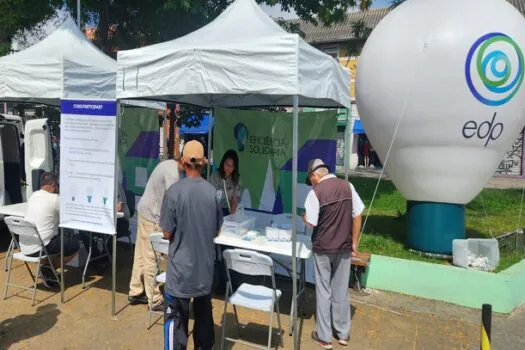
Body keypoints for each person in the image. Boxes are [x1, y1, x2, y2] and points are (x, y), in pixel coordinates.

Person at [160, 140, 223, 350]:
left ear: (183, 161)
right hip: (204, 270)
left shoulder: (174, 192)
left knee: (176, 321)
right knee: (204, 319)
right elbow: (217, 230)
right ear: (203, 163)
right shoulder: (212, 192)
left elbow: (167, 232)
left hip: (180, 272)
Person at [302, 159, 365, 349]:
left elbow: (312, 222)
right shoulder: (348, 186)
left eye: (310, 179)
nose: (311, 182)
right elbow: (358, 214)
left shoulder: (315, 192)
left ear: (314, 175)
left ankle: (325, 337)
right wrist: (354, 242)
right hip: (344, 247)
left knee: (323, 291)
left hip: (322, 248)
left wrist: (304, 217)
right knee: (340, 291)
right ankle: (343, 333)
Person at [128, 158, 180, 311]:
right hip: (153, 216)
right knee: (152, 257)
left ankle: (136, 290)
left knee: (140, 253)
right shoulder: (174, 174)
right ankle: (155, 299)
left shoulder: (168, 164)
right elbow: (173, 203)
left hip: (145, 211)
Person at [22, 172, 79, 284]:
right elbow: (71, 211)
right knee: (74, 245)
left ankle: (47, 267)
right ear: (53, 184)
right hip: (39, 247)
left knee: (54, 238)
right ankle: (49, 268)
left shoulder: (33, 195)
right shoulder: (55, 199)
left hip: (25, 247)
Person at [209, 149, 241, 216]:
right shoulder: (215, 176)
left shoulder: (236, 178)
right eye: (226, 164)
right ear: (223, 163)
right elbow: (210, 197)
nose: (228, 168)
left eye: (231, 166)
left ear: (235, 167)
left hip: (229, 209)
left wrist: (231, 217)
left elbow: (235, 200)